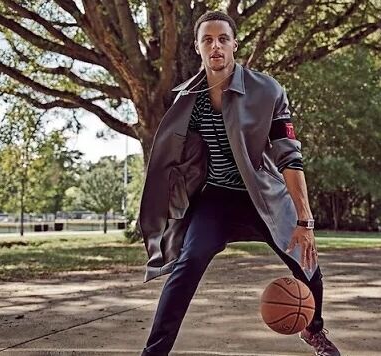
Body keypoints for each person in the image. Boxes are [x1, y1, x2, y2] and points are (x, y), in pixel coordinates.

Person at [137, 11, 340, 356]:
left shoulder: (267, 90)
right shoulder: (189, 98)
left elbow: (289, 156)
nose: (215, 46)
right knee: (188, 263)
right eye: (207, 40)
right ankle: (154, 352)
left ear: (234, 44)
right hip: (216, 197)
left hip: (262, 195)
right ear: (198, 47)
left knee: (308, 265)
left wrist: (304, 220)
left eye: (223, 39)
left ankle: (314, 330)